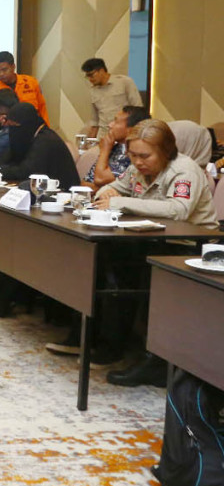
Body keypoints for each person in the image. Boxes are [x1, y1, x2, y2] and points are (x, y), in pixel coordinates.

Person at [92, 119, 218, 386]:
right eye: (133, 155)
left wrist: (119, 201)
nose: (137, 162)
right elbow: (115, 187)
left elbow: (178, 211)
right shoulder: (140, 166)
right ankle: (109, 341)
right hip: (152, 239)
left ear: (166, 151)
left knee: (136, 273)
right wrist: (106, 192)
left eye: (144, 156)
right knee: (104, 261)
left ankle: (156, 362)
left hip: (188, 246)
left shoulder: (184, 171)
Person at [0, 102, 78, 189]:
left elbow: (25, 171)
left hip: (62, 195)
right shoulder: (26, 136)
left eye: (15, 126)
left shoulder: (46, 140)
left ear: (28, 123)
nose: (13, 130)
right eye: (10, 126)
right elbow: (5, 159)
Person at [0, 51, 49, 132]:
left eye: (4, 69)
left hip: (33, 131)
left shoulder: (31, 83)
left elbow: (42, 110)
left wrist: (46, 130)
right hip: (6, 134)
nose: (1, 74)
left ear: (13, 67)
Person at [85, 105, 150, 189]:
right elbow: (85, 183)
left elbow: (99, 179)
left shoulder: (133, 154)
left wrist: (104, 150)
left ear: (131, 129)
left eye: (116, 121)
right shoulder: (114, 147)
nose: (110, 125)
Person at [82, 58, 142, 139]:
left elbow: (138, 110)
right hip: (103, 135)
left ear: (101, 70)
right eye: (87, 76)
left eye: (91, 75)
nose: (90, 79)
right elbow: (95, 121)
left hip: (124, 134)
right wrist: (90, 141)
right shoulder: (93, 90)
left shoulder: (124, 82)